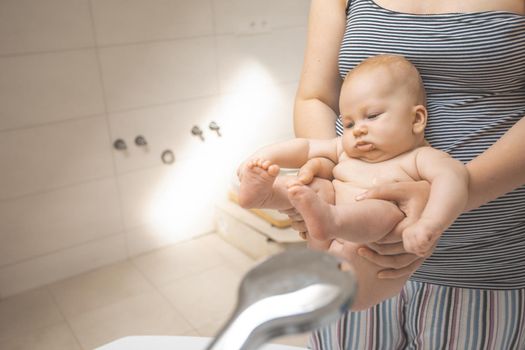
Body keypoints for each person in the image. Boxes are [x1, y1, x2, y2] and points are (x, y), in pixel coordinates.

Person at [284, 0, 525, 348]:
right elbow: (316, 96)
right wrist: (334, 183)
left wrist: (447, 199)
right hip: (355, 255)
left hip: (482, 262)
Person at [238, 55, 469, 310]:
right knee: (315, 185)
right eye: (348, 123)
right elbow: (306, 147)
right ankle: (266, 195)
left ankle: (332, 219)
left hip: (367, 263)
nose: (358, 129)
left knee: (386, 209)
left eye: (371, 116)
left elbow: (454, 178)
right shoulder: (345, 151)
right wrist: (265, 157)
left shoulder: (419, 158)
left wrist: (429, 223)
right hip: (323, 251)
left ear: (416, 120)